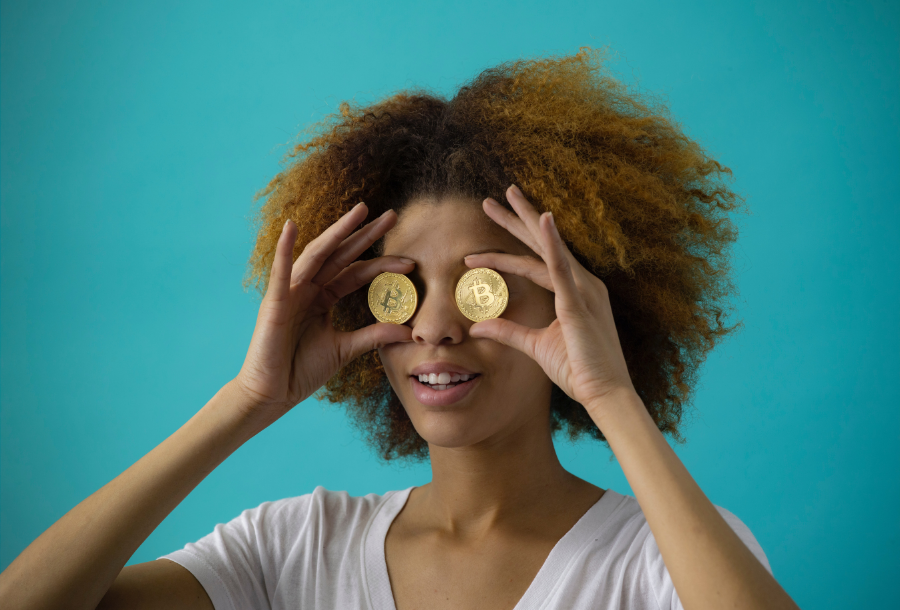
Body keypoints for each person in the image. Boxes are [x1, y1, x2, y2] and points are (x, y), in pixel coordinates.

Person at [0, 47, 801, 609]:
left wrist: (611, 392)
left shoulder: (669, 558)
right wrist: (245, 401)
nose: (438, 326)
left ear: (579, 301)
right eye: (402, 287)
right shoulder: (295, 547)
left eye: (486, 285)